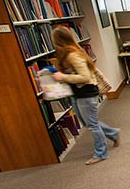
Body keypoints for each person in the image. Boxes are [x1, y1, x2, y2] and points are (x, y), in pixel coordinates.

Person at [51, 26, 120, 165]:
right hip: (78, 93)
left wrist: (63, 77)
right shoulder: (67, 54)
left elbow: (85, 76)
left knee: (92, 124)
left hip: (86, 93)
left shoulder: (73, 55)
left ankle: (101, 153)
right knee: (87, 122)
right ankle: (113, 133)